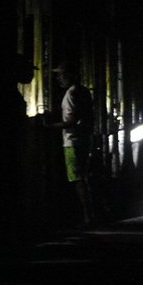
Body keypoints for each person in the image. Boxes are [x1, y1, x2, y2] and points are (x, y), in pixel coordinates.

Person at [44, 61, 96, 225]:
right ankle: (89, 213)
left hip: (72, 141)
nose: (59, 78)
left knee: (77, 178)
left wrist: (50, 126)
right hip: (84, 139)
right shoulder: (84, 91)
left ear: (72, 75)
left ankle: (87, 216)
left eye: (62, 74)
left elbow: (72, 120)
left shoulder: (71, 94)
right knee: (83, 177)